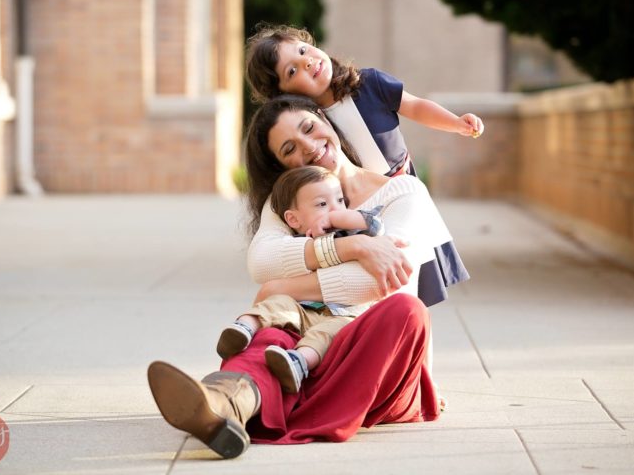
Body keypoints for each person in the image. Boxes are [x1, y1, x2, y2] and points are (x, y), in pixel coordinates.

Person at [147, 95, 450, 459]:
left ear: (324, 118)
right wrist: (353, 247)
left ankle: (260, 408)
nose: (307, 146)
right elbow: (262, 263)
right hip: (302, 355)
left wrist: (282, 286)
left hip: (375, 361)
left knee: (407, 311)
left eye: (309, 127)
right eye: (289, 148)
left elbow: (379, 283)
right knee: (273, 333)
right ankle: (224, 403)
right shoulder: (292, 199)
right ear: (282, 165)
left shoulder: (403, 192)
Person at [216, 166, 385, 394]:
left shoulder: (353, 231)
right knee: (277, 305)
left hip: (342, 314)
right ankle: (243, 328)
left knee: (327, 335)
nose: (335, 209)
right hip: (301, 309)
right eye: (322, 204)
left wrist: (339, 218)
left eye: (340, 200)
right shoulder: (295, 243)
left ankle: (298, 362)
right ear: (294, 219)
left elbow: (375, 225)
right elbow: (268, 267)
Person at [245, 24, 484, 178]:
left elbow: (415, 106)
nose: (305, 62)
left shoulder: (369, 83)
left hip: (404, 180)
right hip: (361, 204)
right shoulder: (310, 126)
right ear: (281, 93)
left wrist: (455, 123)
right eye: (292, 71)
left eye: (302, 50)